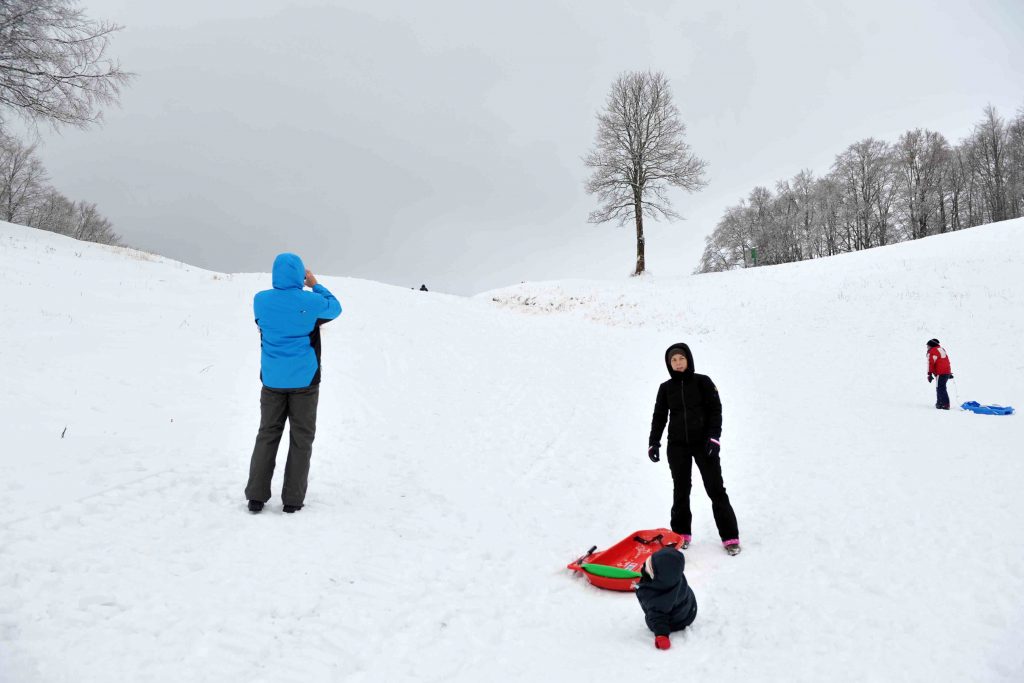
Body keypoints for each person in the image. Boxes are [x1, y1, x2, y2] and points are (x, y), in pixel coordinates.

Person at [244, 253, 342, 513]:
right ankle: (292, 500)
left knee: (267, 434)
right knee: (301, 438)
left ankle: (256, 497)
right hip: (305, 380)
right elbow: (335, 307)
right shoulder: (311, 302)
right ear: (300, 274)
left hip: (272, 380)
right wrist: (315, 284)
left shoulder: (260, 300)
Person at [648, 343, 740, 555]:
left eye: (681, 358)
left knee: (715, 488)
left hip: (704, 444)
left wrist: (714, 437)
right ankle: (680, 535)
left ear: (688, 359)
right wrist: (654, 442)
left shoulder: (703, 382)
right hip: (677, 446)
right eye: (673, 360)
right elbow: (659, 417)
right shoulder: (665, 388)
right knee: (681, 490)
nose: (678, 363)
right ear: (669, 364)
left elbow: (715, 410)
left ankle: (730, 537)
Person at [636, 547, 697, 650]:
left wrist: (661, 635)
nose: (644, 565)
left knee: (653, 618)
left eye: (648, 567)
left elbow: (658, 618)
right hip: (690, 610)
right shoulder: (674, 575)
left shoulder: (655, 598)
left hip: (676, 622)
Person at [926, 338, 954, 410]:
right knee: (940, 387)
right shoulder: (941, 349)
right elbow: (946, 361)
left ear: (931, 345)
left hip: (940, 372)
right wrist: (949, 372)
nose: (927, 347)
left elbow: (931, 363)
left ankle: (945, 404)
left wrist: (929, 374)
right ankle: (939, 403)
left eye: (928, 346)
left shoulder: (932, 351)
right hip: (946, 371)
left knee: (940, 388)